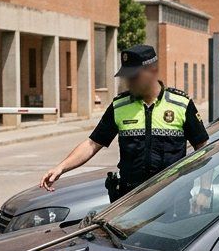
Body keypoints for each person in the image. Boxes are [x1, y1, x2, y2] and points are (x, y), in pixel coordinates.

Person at [40, 44, 209, 202]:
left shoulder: (181, 104)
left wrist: (205, 190)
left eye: (134, 76)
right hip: (130, 201)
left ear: (152, 70)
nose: (129, 81)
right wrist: (61, 167)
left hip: (172, 199)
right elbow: (92, 144)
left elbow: (202, 148)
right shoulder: (119, 106)